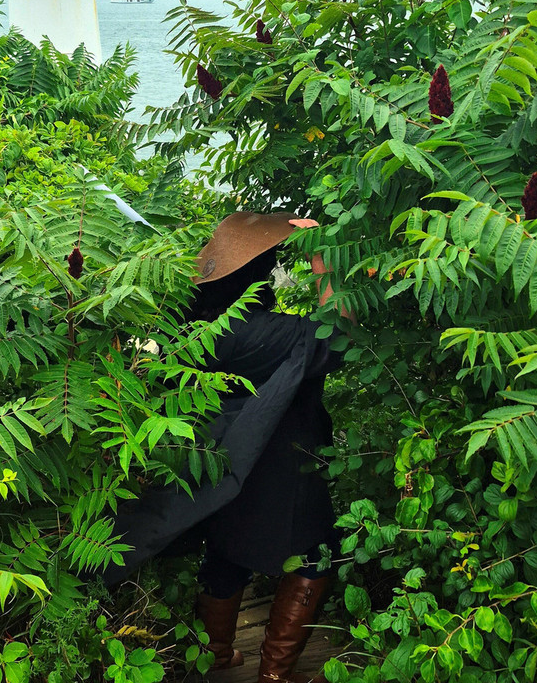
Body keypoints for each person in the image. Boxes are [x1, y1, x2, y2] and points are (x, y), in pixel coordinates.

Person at [103, 211, 351, 683]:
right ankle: (275, 674)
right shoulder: (259, 331)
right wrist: (322, 258)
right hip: (282, 458)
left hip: (217, 461)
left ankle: (215, 653)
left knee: (228, 546)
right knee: (315, 552)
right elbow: (337, 338)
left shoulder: (191, 327)